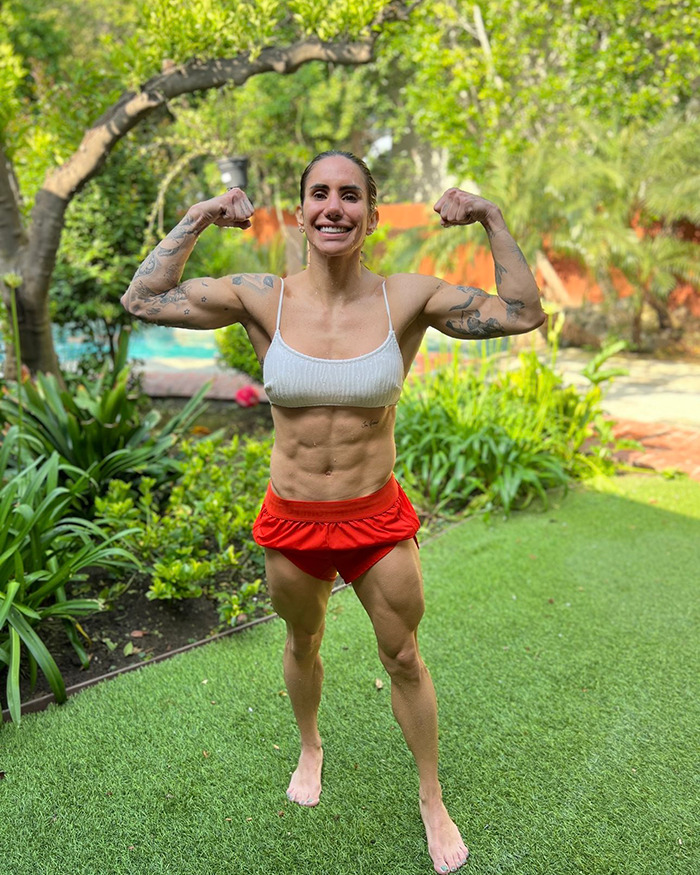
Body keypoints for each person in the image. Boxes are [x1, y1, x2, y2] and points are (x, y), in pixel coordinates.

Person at [121, 150, 545, 873]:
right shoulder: (263, 296)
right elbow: (144, 299)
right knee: (302, 642)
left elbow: (523, 313)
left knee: (405, 655)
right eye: (320, 193)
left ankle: (432, 797)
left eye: (350, 195)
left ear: (372, 214)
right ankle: (311, 745)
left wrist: (491, 219)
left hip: (375, 518)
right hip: (293, 518)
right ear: (300, 210)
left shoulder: (405, 298)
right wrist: (199, 214)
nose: (334, 207)